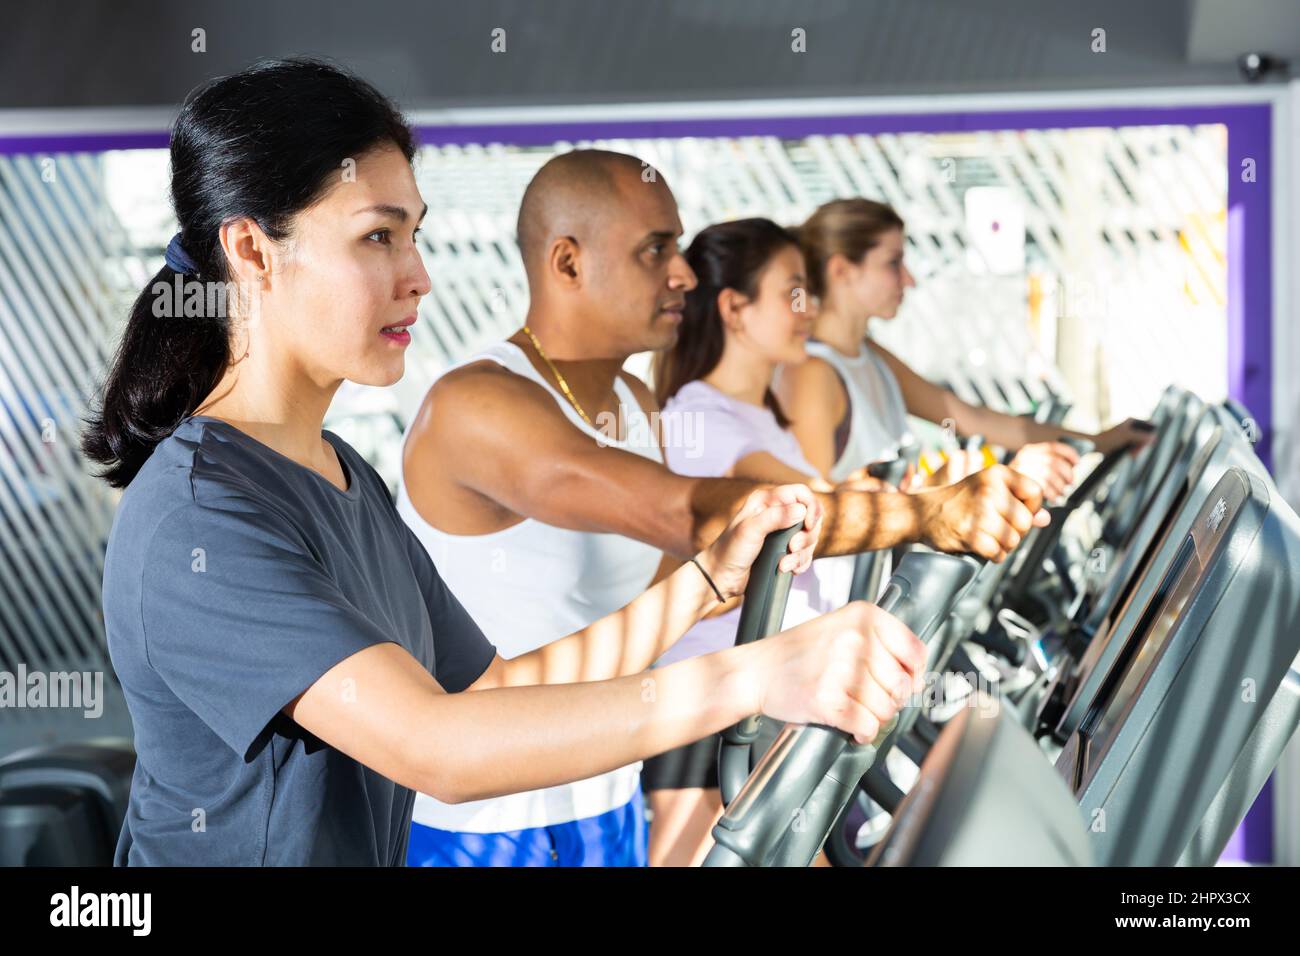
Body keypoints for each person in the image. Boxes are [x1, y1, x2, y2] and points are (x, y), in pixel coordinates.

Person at [84, 57, 925, 867]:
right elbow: (435, 746)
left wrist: (705, 585)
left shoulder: (343, 476)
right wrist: (755, 677)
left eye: (415, 235)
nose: (419, 277)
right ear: (253, 252)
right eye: (378, 236)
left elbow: (491, 690)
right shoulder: (199, 521)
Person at [398, 150, 1051, 866]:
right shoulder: (479, 403)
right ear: (567, 264)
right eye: (656, 250)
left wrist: (861, 520)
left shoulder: (636, 406)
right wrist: (927, 515)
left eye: (678, 246)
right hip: (485, 823)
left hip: (605, 797)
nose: (682, 273)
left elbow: (683, 586)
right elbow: (700, 519)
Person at [777, 198, 1155, 495]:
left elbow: (974, 420)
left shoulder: (868, 357)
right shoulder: (813, 372)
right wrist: (985, 480)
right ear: (842, 270)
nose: (908, 280)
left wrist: (1097, 443)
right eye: (893, 263)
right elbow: (822, 506)